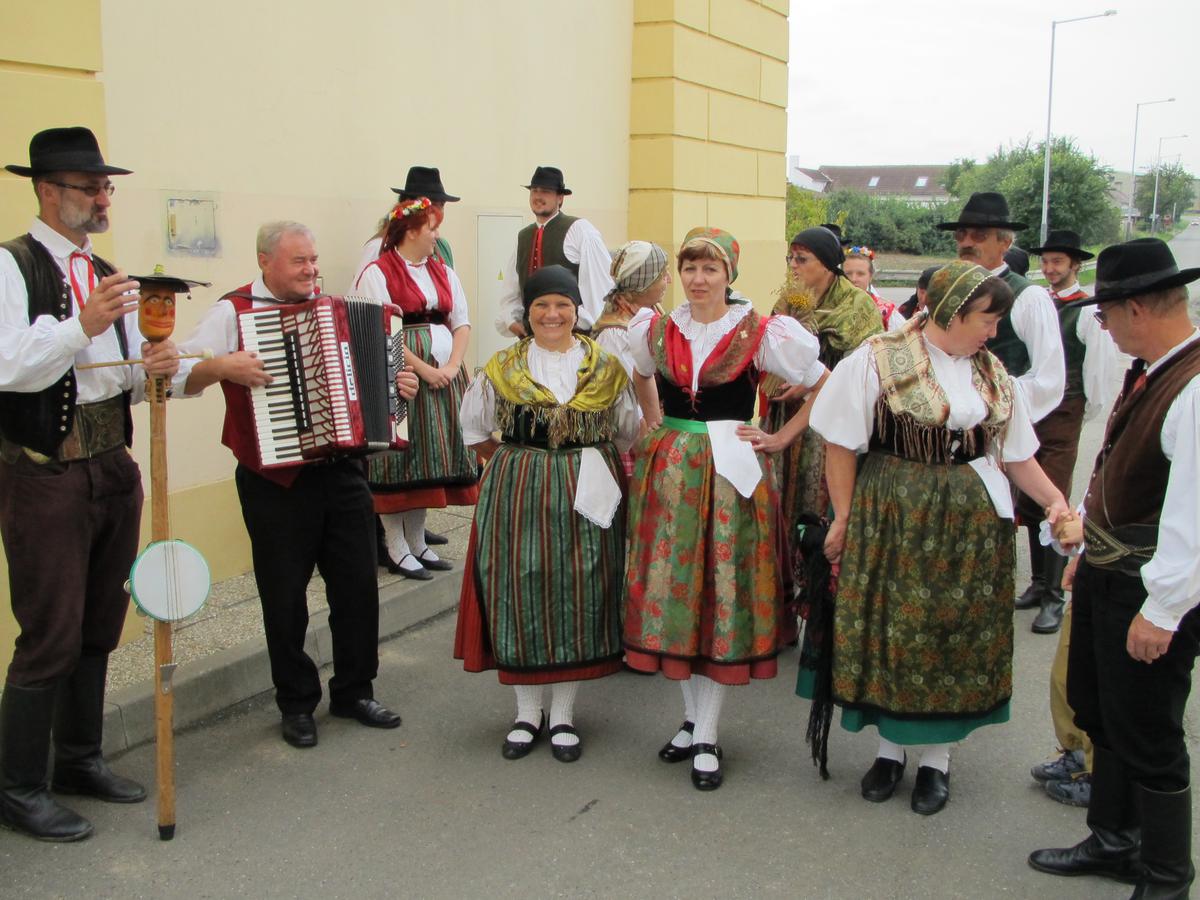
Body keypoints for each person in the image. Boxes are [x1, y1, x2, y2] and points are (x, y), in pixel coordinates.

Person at [798, 261, 1072, 816]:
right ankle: (890, 751)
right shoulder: (878, 358)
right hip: (894, 512)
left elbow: (1017, 454)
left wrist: (1054, 502)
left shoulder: (992, 374)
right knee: (896, 629)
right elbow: (840, 445)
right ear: (950, 312)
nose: (992, 333)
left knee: (952, 632)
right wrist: (846, 519)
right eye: (985, 320)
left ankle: (936, 762)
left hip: (971, 524)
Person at [0, 127, 181, 842]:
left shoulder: (105, 269)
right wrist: (81, 325)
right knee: (50, 632)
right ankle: (17, 787)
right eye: (90, 187)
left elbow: (118, 378)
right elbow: (10, 366)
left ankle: (79, 757)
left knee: (99, 627)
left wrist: (156, 367)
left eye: (107, 187)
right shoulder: (12, 267)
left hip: (111, 466)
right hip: (45, 473)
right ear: (49, 191)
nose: (104, 197)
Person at [177, 221, 411, 749]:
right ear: (265, 262)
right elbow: (177, 377)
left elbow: (376, 389)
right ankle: (296, 703)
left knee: (357, 588)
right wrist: (221, 366)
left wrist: (401, 387)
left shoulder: (336, 311)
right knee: (284, 599)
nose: (311, 270)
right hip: (274, 481)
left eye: (313, 259)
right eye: (298, 261)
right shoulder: (233, 313)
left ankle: (354, 691)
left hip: (344, 472)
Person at [623, 227, 828, 792]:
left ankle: (708, 733)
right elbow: (640, 372)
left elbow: (822, 383)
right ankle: (692, 722)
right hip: (670, 471)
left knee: (719, 592)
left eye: (710, 269)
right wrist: (651, 420)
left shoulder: (761, 332)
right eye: (690, 268)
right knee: (675, 595)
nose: (698, 279)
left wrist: (782, 436)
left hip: (732, 470)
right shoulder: (657, 328)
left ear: (729, 275)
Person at [1029, 239, 1200, 898]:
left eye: (1105, 315)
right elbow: (1117, 469)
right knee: (1100, 711)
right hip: (1110, 572)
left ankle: (1164, 875)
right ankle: (1113, 839)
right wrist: (1084, 547)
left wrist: (1161, 612)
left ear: (1136, 308)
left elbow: (1190, 517)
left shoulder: (1191, 387)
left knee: (1149, 733)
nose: (1100, 326)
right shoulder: (1154, 369)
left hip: (1151, 589)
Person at [454, 265, 637, 763]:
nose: (552, 314)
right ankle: (526, 711)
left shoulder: (607, 367)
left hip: (589, 485)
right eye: (541, 306)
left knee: (582, 587)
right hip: (519, 488)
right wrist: (521, 464)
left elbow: (627, 431)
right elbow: (474, 432)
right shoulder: (501, 367)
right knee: (520, 586)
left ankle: (564, 715)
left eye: (562, 304)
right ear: (527, 313)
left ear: (577, 311)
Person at [353, 198, 478, 580]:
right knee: (403, 459)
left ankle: (418, 541)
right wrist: (423, 368)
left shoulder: (443, 272)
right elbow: (379, 325)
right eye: (432, 228)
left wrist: (454, 366)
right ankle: (396, 545)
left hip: (443, 376)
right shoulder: (378, 272)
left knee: (429, 459)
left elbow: (462, 322)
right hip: (402, 373)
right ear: (410, 231)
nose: (437, 236)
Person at [764, 228, 882, 633]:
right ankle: (781, 601)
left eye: (803, 260)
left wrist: (815, 379)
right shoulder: (786, 301)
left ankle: (818, 602)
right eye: (790, 259)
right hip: (784, 411)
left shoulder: (858, 306)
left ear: (829, 265)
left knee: (817, 503)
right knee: (780, 503)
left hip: (830, 422)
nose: (794, 268)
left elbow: (864, 368)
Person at [1016, 229, 1116, 634]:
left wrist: (1080, 411)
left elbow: (1099, 371)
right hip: (1030, 412)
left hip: (1064, 412)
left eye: (1058, 262)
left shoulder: (1086, 310)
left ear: (1075, 265)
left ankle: (1055, 595)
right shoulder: (1034, 302)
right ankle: (1040, 584)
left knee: (1053, 498)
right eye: (1046, 261)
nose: (1049, 268)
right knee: (1027, 501)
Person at [938, 192, 1065, 424]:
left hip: (1001, 431)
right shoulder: (945, 291)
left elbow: (1048, 379)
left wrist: (984, 406)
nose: (966, 243)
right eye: (961, 234)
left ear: (1004, 243)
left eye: (979, 235)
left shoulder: (1029, 297)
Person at [495, 166, 614, 337]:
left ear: (560, 198)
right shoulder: (523, 236)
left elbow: (599, 291)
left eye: (545, 191)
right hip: (533, 341)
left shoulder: (580, 230)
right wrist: (513, 322)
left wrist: (574, 325)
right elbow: (510, 293)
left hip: (573, 341)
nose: (538, 196)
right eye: (534, 191)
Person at [591, 240, 672, 377]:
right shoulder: (615, 335)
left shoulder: (652, 309)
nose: (669, 280)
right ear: (644, 285)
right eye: (663, 276)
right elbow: (632, 391)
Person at [842, 245, 904, 332]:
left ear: (870, 276)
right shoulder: (829, 307)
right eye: (848, 273)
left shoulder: (886, 312)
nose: (853, 279)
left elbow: (905, 342)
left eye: (860, 274)